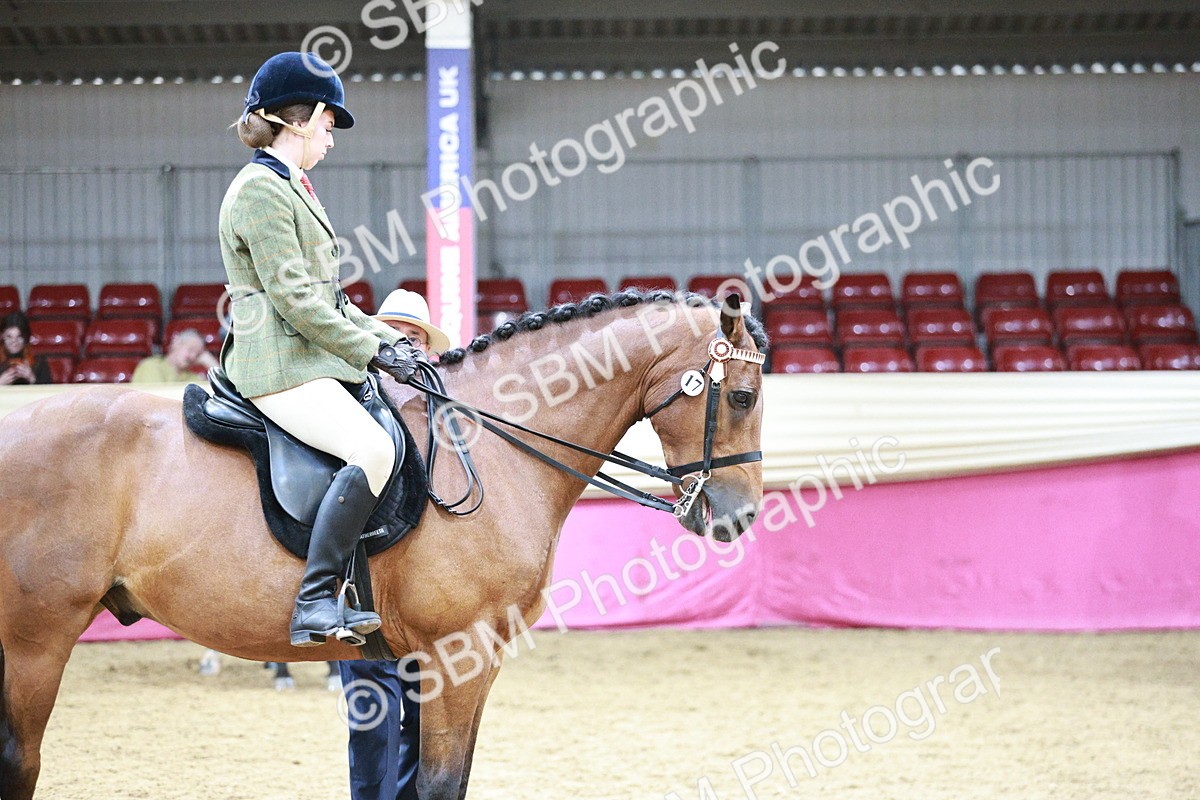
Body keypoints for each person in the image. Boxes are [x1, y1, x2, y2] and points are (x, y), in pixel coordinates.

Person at [221, 51, 421, 647]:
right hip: (278, 366)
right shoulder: (260, 191)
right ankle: (313, 601)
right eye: (329, 124)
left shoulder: (292, 186)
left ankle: (357, 591)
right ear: (300, 119)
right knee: (372, 447)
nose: (331, 139)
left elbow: (330, 300)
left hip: (308, 356)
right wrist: (370, 353)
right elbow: (296, 303)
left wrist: (390, 340)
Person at [338, 288, 449, 800]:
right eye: (394, 333)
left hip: (424, 593)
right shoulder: (347, 402)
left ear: (425, 346)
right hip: (363, 586)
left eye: (414, 336)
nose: (404, 343)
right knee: (371, 727)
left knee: (423, 714)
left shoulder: (443, 414)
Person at [131, 328, 218, 384]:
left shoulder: (192, 377)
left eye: (198, 354)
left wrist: (210, 362)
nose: (193, 357)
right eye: (191, 349)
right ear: (176, 343)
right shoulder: (151, 366)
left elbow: (224, 391)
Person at [0, 312, 52, 385]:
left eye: (19, 336)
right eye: (9, 337)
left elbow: (50, 393)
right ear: (2, 336)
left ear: (26, 338)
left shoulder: (39, 363)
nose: (14, 342)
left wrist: (32, 379)